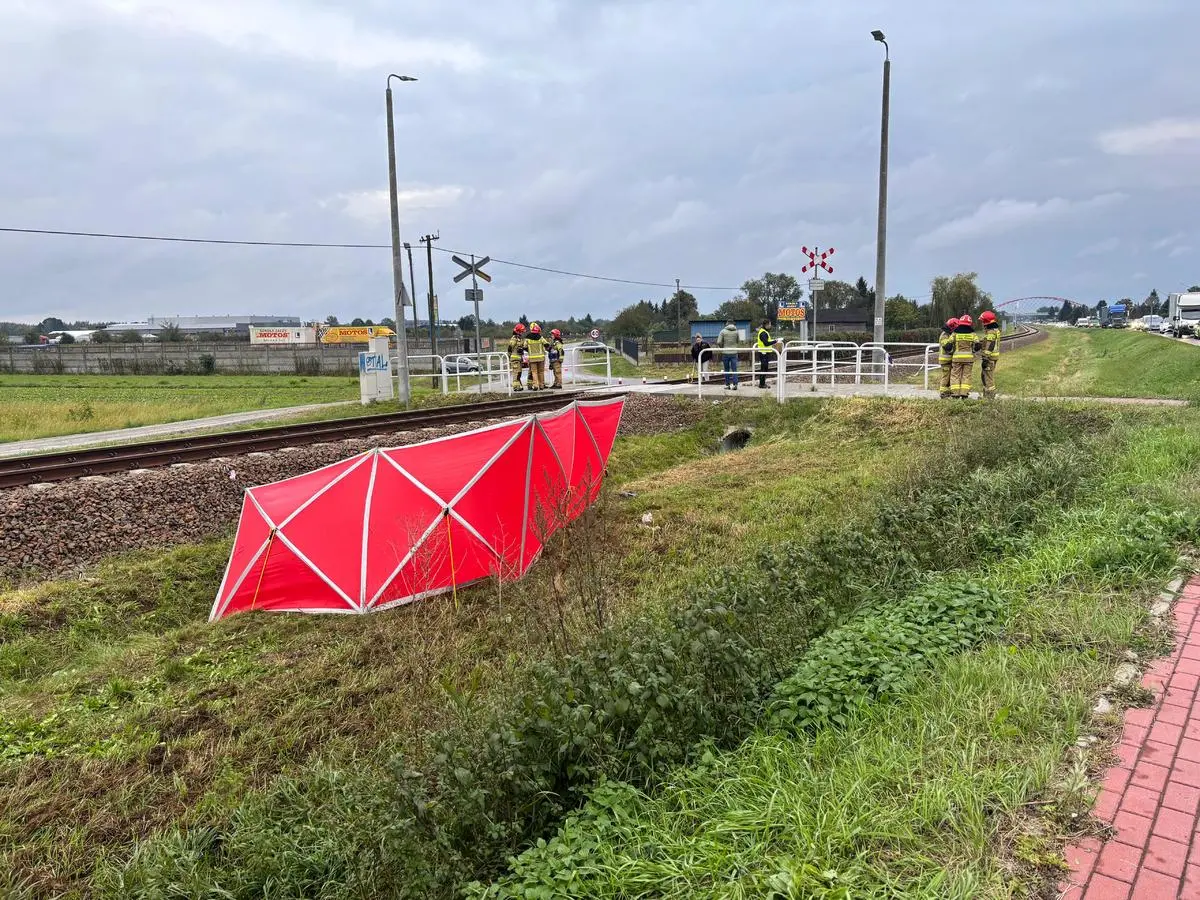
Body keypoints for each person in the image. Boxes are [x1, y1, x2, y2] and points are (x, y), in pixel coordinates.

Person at [949, 314, 980, 399]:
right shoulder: (973, 334)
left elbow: (948, 344)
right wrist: (973, 351)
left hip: (957, 358)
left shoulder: (955, 333)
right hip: (968, 359)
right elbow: (978, 345)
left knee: (955, 375)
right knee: (966, 375)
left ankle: (955, 394)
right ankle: (964, 394)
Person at [979, 311, 1001, 399]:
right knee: (984, 375)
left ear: (986, 321)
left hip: (989, 358)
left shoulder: (991, 332)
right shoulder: (995, 330)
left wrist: (985, 358)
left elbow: (990, 344)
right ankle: (986, 396)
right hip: (993, 356)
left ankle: (989, 398)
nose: (982, 323)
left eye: (982, 321)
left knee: (988, 377)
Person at [715, 320, 740, 390]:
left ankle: (727, 385)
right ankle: (735, 384)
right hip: (734, 353)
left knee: (726, 369)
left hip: (725, 353)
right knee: (734, 369)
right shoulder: (736, 331)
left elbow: (719, 342)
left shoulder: (722, 331)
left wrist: (722, 347)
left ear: (727, 323)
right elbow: (738, 341)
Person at [754, 321, 779, 389]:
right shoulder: (763, 333)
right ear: (766, 325)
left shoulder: (764, 332)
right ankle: (762, 384)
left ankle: (762, 383)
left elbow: (766, 342)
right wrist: (775, 341)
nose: (770, 326)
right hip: (763, 353)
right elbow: (766, 343)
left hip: (764, 352)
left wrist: (774, 341)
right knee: (764, 369)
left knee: (764, 368)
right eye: (770, 324)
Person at [938, 318, 958, 399]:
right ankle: (943, 393)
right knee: (946, 377)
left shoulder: (949, 334)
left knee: (950, 377)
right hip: (945, 360)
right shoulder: (944, 335)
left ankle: (947, 392)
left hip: (949, 359)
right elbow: (947, 347)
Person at [526, 322, 547, 390]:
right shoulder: (541, 338)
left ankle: (535, 385)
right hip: (541, 358)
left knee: (534, 372)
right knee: (541, 372)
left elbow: (524, 346)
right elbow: (546, 344)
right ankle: (541, 385)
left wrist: (529, 350)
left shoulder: (528, 338)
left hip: (532, 358)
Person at [507, 323, 527, 392]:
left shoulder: (519, 339)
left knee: (519, 373)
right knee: (516, 373)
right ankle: (515, 387)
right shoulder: (514, 338)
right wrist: (510, 356)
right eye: (521, 331)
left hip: (519, 359)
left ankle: (518, 385)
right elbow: (510, 348)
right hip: (515, 359)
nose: (522, 333)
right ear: (518, 331)